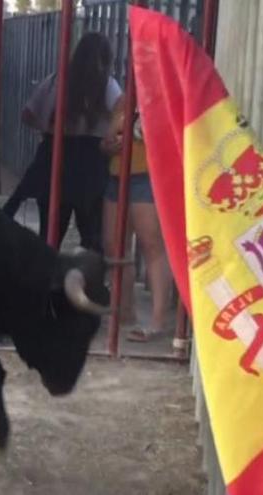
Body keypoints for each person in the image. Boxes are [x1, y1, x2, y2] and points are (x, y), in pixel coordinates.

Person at [3, 32, 121, 252]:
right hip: (92, 164)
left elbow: (28, 114)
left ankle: (46, 280)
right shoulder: (109, 86)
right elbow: (122, 117)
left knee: (50, 235)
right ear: (107, 57)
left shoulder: (56, 80)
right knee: (91, 235)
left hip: (54, 157)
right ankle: (84, 281)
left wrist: (51, 128)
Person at [101, 99, 173, 342]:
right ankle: (125, 313)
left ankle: (157, 321)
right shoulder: (124, 100)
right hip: (117, 175)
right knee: (114, 246)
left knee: (152, 245)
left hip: (148, 175)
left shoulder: (163, 95)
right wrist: (112, 144)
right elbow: (105, 142)